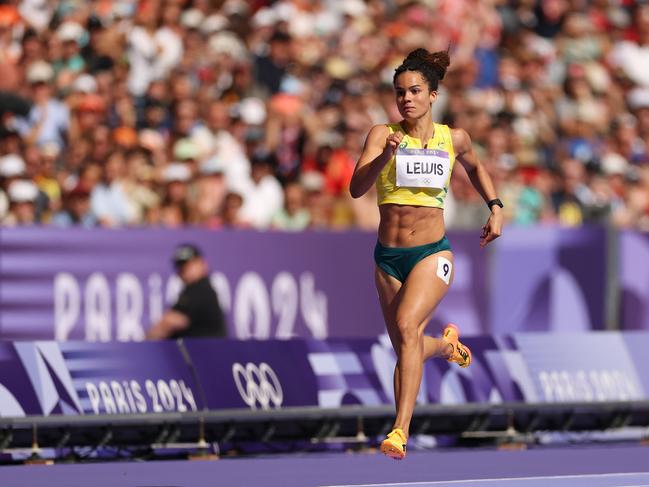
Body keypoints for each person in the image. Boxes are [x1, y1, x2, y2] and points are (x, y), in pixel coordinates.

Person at [349, 48, 504, 460]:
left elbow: (476, 168)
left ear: (433, 95)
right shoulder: (382, 135)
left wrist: (496, 206)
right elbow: (356, 187)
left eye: (415, 91)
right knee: (408, 344)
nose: (407, 99)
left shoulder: (453, 138)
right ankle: (448, 347)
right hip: (388, 257)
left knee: (405, 326)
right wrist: (384, 156)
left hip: (432, 253)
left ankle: (399, 431)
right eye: (400, 93)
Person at [146, 243, 228, 339]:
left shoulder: (201, 289)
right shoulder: (190, 290)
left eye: (189, 264)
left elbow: (172, 322)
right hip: (195, 351)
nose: (183, 269)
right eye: (180, 265)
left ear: (202, 264)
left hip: (205, 351)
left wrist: (146, 342)